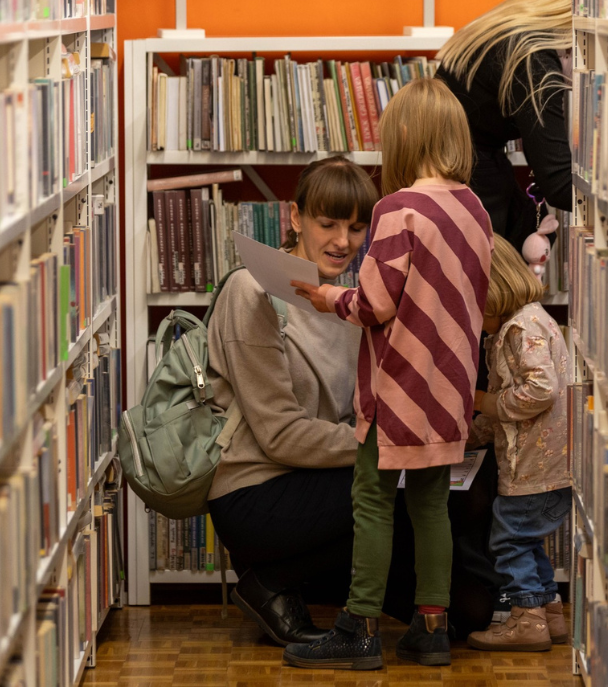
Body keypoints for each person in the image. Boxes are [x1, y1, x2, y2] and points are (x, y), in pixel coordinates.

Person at [206, 156, 502, 650]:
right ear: (296, 217)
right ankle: (271, 578)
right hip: (259, 491)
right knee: (402, 495)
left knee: (472, 608)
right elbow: (280, 436)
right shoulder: (251, 291)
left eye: (357, 227)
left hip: (336, 482)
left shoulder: (353, 303)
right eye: (327, 224)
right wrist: (390, 444)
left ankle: (306, 582)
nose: (343, 241)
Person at [286, 78, 493, 670]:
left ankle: (360, 626)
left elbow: (373, 305)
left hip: (397, 388)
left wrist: (329, 297)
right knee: (431, 506)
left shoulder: (398, 210)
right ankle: (432, 627)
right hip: (449, 390)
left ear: (403, 132)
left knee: (372, 500)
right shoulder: (475, 210)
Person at [465, 236, 572, 653]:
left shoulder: (520, 328)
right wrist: (472, 434)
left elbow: (541, 390)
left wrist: (484, 402)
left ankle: (526, 620)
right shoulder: (527, 322)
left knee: (508, 542)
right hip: (548, 468)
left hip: (533, 468)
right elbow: (505, 409)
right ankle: (549, 613)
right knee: (527, 542)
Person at [436, 0, 573, 253]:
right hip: (462, 167)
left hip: (451, 155)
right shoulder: (534, 57)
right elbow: (558, 184)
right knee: (509, 257)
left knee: (533, 230)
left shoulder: (528, 15)